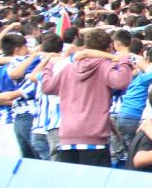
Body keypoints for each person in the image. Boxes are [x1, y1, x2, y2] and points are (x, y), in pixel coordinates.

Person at [39, 29, 134, 166]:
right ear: (109, 48)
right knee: (95, 185)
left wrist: (48, 67)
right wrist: (124, 59)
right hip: (94, 138)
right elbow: (121, 82)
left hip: (67, 137)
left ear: (85, 46)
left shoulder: (68, 68)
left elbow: (47, 87)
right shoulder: (105, 66)